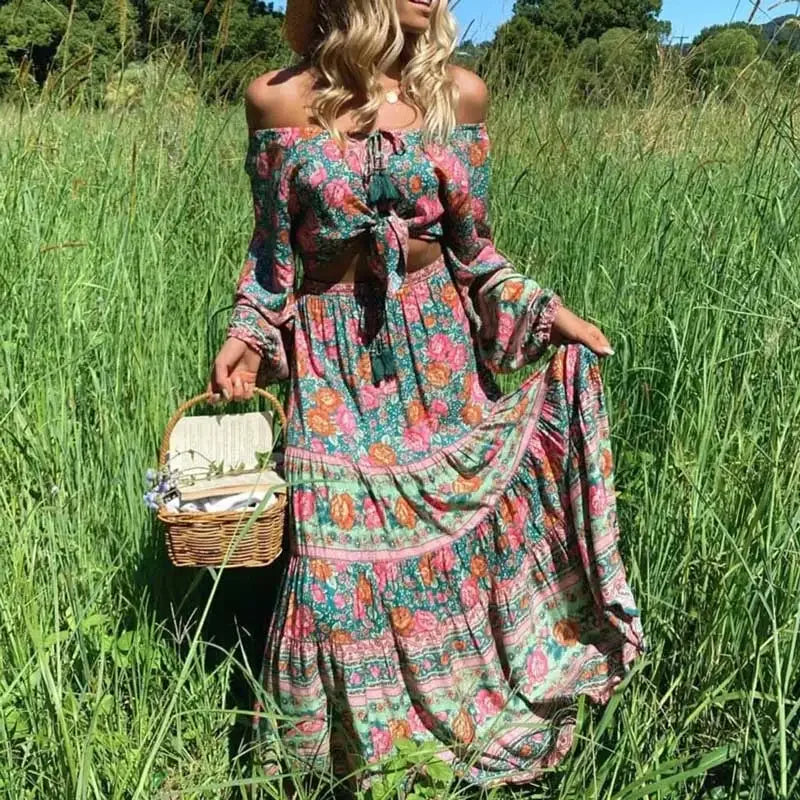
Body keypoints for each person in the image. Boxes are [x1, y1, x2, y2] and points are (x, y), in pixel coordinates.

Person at [208, 0, 646, 789]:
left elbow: (476, 255)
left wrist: (545, 313)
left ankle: (459, 729)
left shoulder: (458, 95)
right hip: (332, 361)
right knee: (331, 570)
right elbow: (273, 261)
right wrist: (249, 333)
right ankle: (345, 762)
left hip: (438, 354)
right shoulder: (276, 100)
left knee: (455, 550)